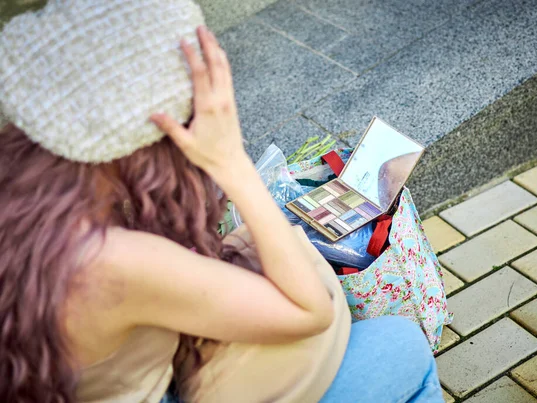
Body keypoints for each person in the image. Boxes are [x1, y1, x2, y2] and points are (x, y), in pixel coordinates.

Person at [0, 1, 444, 402]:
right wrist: (231, 161)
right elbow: (309, 312)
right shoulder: (114, 260)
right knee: (401, 344)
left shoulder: (21, 193)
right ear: (163, 139)